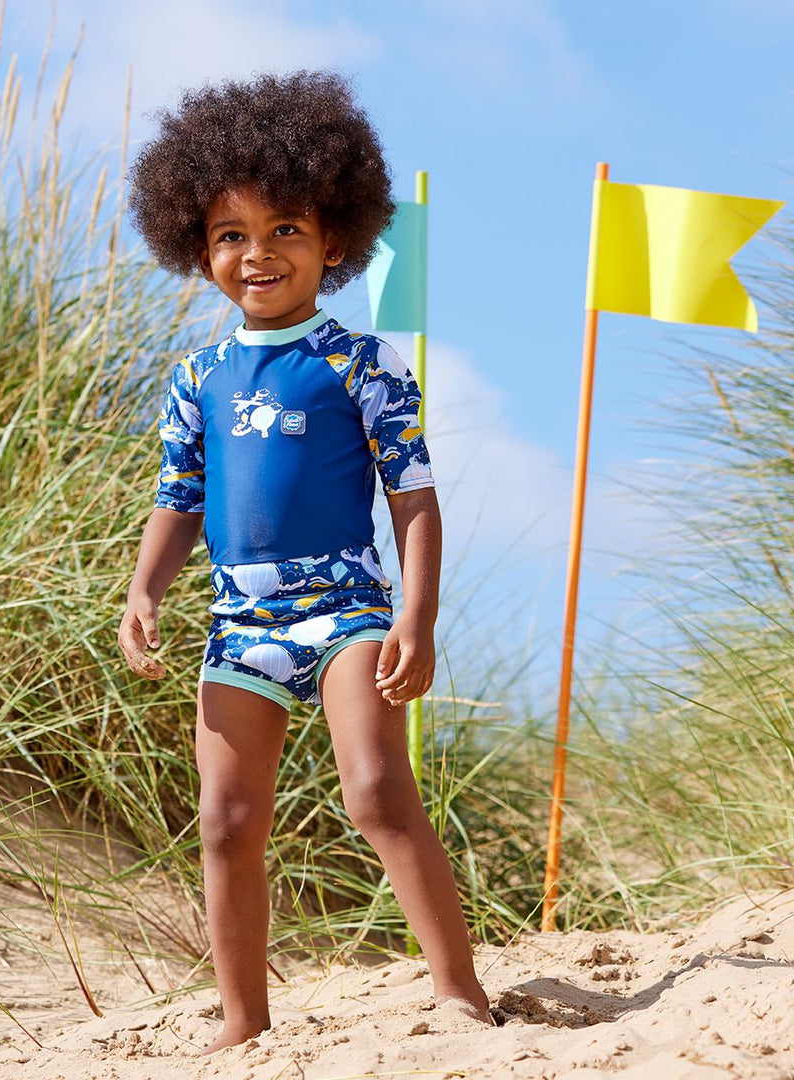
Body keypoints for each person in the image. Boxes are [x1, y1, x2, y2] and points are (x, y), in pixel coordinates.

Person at [118, 70, 491, 1055]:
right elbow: (178, 499)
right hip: (239, 627)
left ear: (334, 241)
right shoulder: (197, 377)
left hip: (348, 613)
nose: (257, 252)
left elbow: (414, 498)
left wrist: (416, 617)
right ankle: (244, 1022)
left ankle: (459, 991)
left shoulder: (362, 363)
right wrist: (144, 590)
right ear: (197, 250)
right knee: (227, 820)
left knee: (376, 792)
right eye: (230, 234)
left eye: (285, 228)